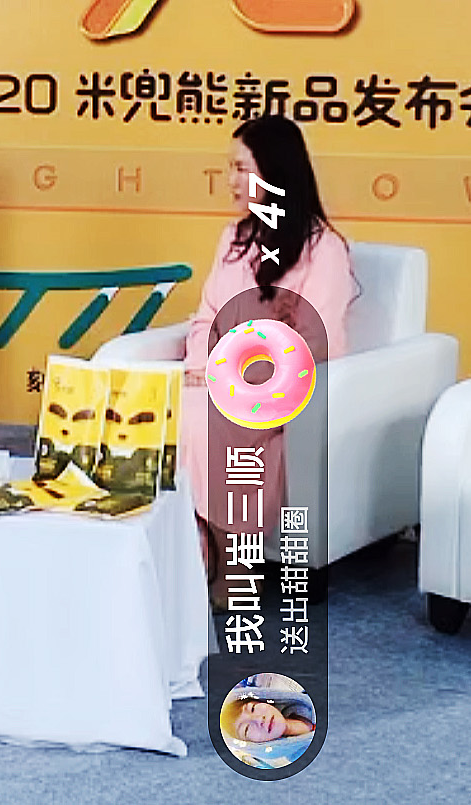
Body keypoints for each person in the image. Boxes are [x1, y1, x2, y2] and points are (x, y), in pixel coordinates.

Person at [178, 115, 353, 587]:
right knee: (171, 408)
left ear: (274, 173)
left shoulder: (324, 250)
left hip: (277, 388)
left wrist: (239, 378)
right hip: (217, 378)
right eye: (230, 168)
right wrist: (202, 366)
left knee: (208, 418)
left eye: (241, 169)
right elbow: (206, 317)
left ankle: (227, 555)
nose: (231, 181)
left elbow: (317, 339)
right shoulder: (234, 239)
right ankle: (190, 550)